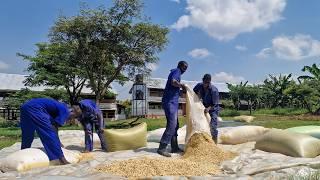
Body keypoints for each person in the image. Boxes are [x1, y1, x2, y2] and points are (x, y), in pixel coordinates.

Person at [20, 98, 71, 165]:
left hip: (24, 107)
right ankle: (60, 159)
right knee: (47, 133)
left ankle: (23, 152)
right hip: (35, 108)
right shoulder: (65, 110)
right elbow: (54, 128)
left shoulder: (53, 107)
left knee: (27, 132)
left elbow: (54, 125)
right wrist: (57, 143)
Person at [157, 61, 188, 157]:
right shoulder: (177, 71)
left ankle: (174, 147)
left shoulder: (177, 72)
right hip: (169, 102)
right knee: (172, 124)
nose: (185, 70)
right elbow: (173, 82)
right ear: (180, 66)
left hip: (173, 102)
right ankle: (162, 148)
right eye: (184, 67)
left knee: (176, 125)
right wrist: (181, 85)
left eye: (186, 68)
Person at [193, 74, 220, 143]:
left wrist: (208, 108)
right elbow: (193, 92)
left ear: (209, 82)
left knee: (212, 125)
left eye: (207, 83)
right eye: (204, 82)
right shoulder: (199, 85)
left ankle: (214, 142)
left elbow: (215, 103)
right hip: (204, 107)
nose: (205, 84)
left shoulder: (214, 90)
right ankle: (204, 140)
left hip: (213, 109)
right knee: (201, 123)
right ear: (203, 80)